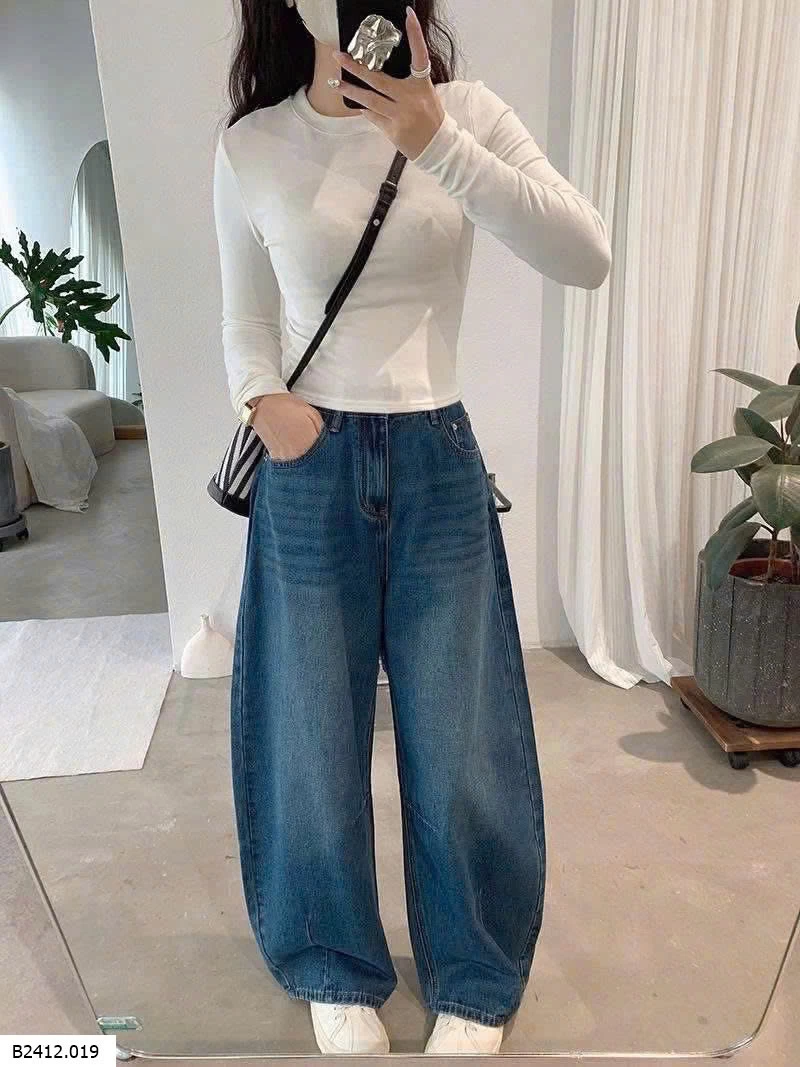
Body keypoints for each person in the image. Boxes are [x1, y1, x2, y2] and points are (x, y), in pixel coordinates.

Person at [213, 0, 612, 1055]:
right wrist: (262, 397)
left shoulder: (465, 113)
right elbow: (244, 316)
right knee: (307, 730)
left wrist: (437, 142)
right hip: (308, 465)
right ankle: (329, 957)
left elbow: (585, 255)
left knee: (461, 729)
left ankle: (473, 971)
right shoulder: (252, 144)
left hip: (436, 453)